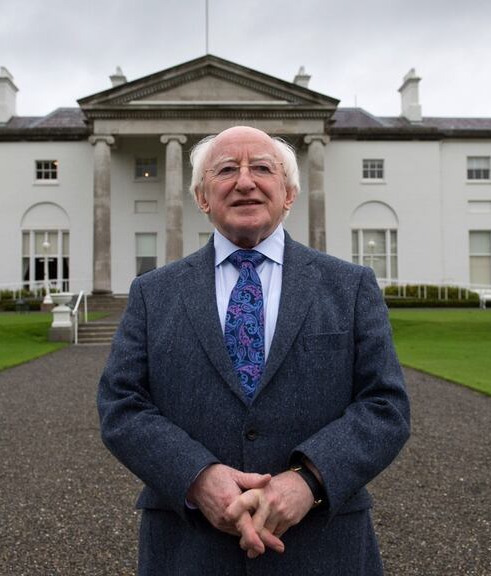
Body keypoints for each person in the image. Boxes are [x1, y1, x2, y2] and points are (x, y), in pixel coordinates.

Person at [97, 125, 410, 575]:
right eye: (226, 170)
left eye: (262, 168)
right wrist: (198, 478)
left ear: (289, 194)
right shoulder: (153, 293)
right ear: (203, 197)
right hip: (190, 551)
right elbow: (120, 405)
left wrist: (309, 482)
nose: (245, 181)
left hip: (322, 547)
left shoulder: (349, 287)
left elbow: (386, 406)